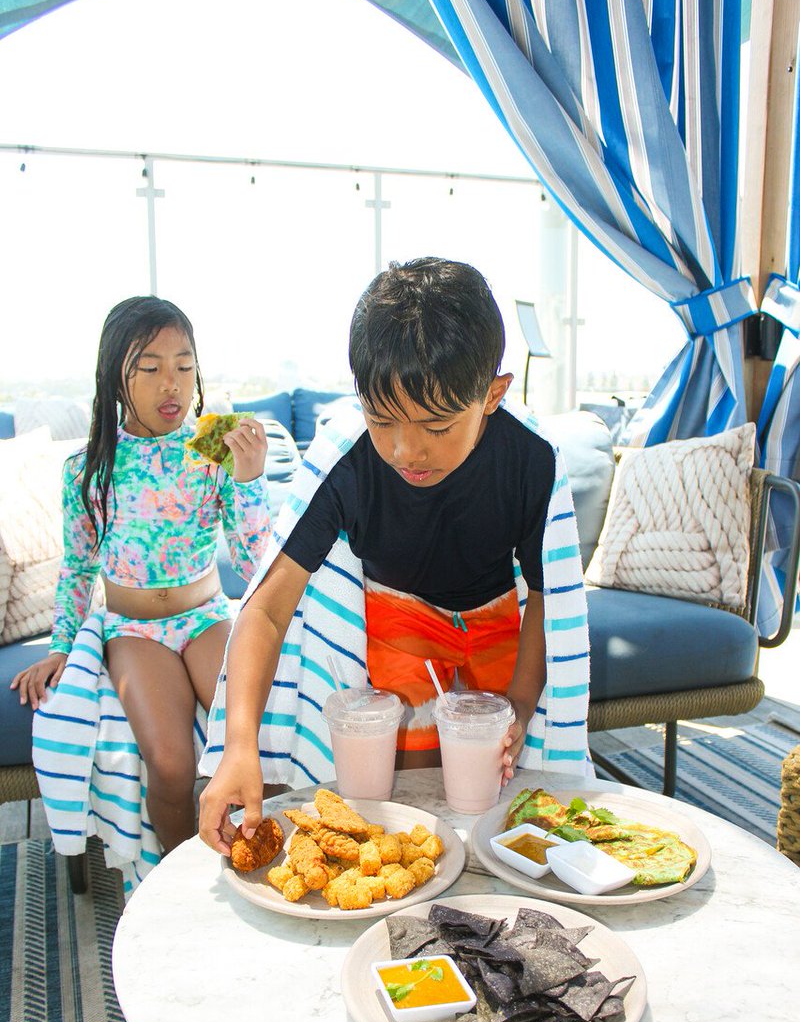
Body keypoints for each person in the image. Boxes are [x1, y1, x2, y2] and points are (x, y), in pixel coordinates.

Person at [198, 257, 589, 857]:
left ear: (492, 395)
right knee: (404, 799)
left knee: (503, 792)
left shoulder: (529, 458)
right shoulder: (349, 461)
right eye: (383, 421)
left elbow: (546, 593)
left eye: (436, 426)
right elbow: (268, 609)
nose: (407, 450)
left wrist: (520, 700)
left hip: (495, 618)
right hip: (395, 617)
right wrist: (238, 744)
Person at [11, 296, 271, 852]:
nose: (171, 383)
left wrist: (250, 479)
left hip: (206, 617)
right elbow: (79, 567)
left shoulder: (212, 450)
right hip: (133, 631)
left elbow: (254, 564)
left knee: (259, 747)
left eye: (184, 365)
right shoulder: (88, 468)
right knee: (171, 765)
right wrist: (60, 647)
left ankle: (264, 859)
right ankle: (178, 883)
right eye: (150, 368)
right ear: (115, 377)